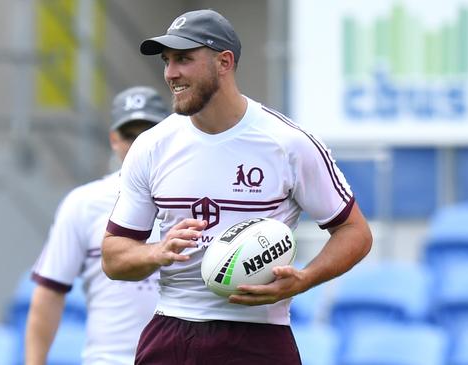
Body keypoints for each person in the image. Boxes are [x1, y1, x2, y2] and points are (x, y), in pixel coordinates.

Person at [101, 9, 372, 365]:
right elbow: (113, 255)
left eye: (184, 59)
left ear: (224, 62)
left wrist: (304, 279)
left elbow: (355, 232)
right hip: (171, 331)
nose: (170, 73)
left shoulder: (288, 143)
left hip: (257, 336)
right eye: (167, 61)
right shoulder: (152, 146)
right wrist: (157, 251)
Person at [25, 86, 169, 364]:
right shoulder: (84, 202)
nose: (139, 143)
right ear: (114, 139)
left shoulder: (194, 195)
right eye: (130, 135)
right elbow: (50, 291)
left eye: (148, 133)